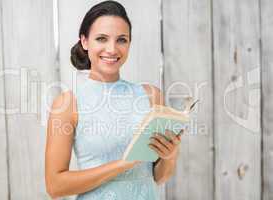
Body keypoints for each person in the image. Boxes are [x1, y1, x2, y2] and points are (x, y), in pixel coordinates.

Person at [45, 1, 182, 199]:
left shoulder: (150, 96)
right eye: (101, 38)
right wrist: (122, 164)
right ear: (84, 41)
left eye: (121, 40)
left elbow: (158, 177)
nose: (112, 49)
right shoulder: (67, 104)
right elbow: (55, 186)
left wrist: (170, 155)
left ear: (129, 43)